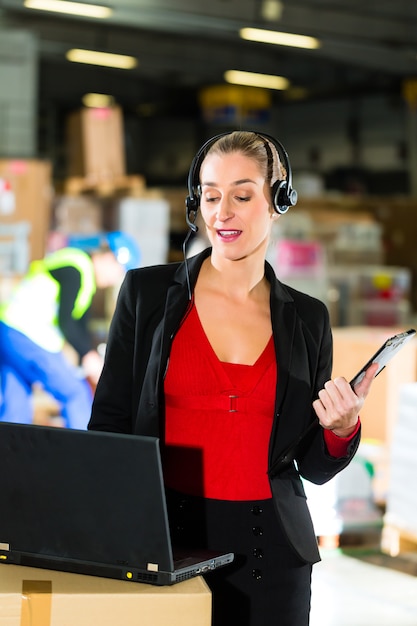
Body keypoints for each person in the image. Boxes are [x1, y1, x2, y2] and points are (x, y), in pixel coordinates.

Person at [88, 131, 378, 626]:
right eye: (211, 194)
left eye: (242, 196)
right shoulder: (147, 294)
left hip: (272, 553)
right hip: (165, 540)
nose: (222, 212)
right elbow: (111, 423)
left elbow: (313, 466)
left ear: (278, 201)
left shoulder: (307, 320)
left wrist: (340, 428)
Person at [0, 231, 140, 429]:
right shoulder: (76, 268)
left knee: (16, 408)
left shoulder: (86, 280)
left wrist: (91, 357)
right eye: (119, 270)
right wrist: (88, 356)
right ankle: (84, 457)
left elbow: (81, 327)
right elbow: (67, 322)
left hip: (9, 330)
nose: (116, 278)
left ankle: (6, 457)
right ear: (109, 258)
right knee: (75, 393)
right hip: (24, 334)